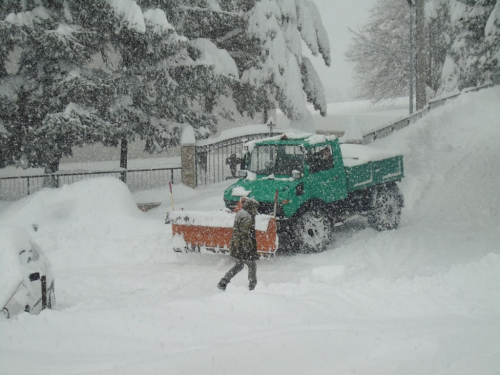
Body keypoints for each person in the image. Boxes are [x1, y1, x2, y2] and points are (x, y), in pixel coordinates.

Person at [217, 198, 260, 291]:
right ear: (251, 207)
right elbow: (245, 234)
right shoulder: (248, 217)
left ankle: (223, 282)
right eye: (255, 208)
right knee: (252, 265)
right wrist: (247, 248)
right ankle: (253, 286)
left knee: (239, 265)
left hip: (235, 245)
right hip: (243, 246)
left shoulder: (240, 213)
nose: (256, 210)